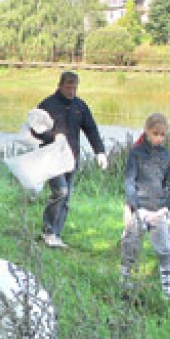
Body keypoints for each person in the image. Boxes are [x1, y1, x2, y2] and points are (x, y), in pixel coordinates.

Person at [31, 71, 108, 248]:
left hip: (71, 158)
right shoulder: (47, 104)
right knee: (61, 192)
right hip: (51, 157)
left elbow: (91, 130)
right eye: (68, 87)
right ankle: (49, 231)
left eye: (74, 87)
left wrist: (100, 152)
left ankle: (55, 234)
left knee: (66, 198)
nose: (71, 91)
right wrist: (52, 136)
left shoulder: (80, 106)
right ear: (60, 85)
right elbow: (35, 129)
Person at [120, 113, 170, 300]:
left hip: (159, 208)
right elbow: (129, 181)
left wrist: (168, 206)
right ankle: (125, 278)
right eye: (155, 133)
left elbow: (168, 182)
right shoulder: (136, 153)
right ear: (147, 131)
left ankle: (167, 286)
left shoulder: (165, 155)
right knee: (131, 244)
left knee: (165, 248)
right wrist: (132, 205)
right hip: (140, 207)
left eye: (162, 134)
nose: (159, 138)